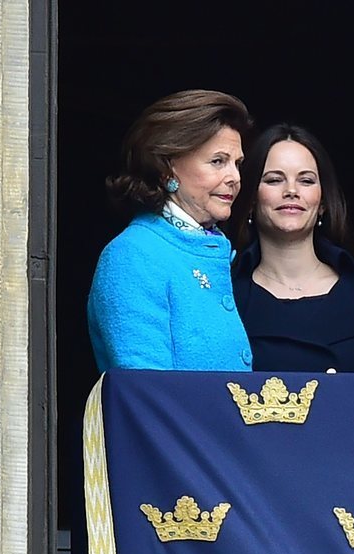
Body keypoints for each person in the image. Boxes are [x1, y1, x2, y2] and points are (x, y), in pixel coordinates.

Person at [87, 89, 254, 372]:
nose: (235, 178)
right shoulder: (133, 256)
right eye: (218, 161)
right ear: (167, 168)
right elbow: (147, 392)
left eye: (237, 164)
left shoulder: (206, 247)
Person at [227, 124, 354, 372]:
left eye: (306, 180)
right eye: (275, 180)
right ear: (252, 199)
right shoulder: (226, 293)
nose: (291, 191)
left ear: (322, 203)